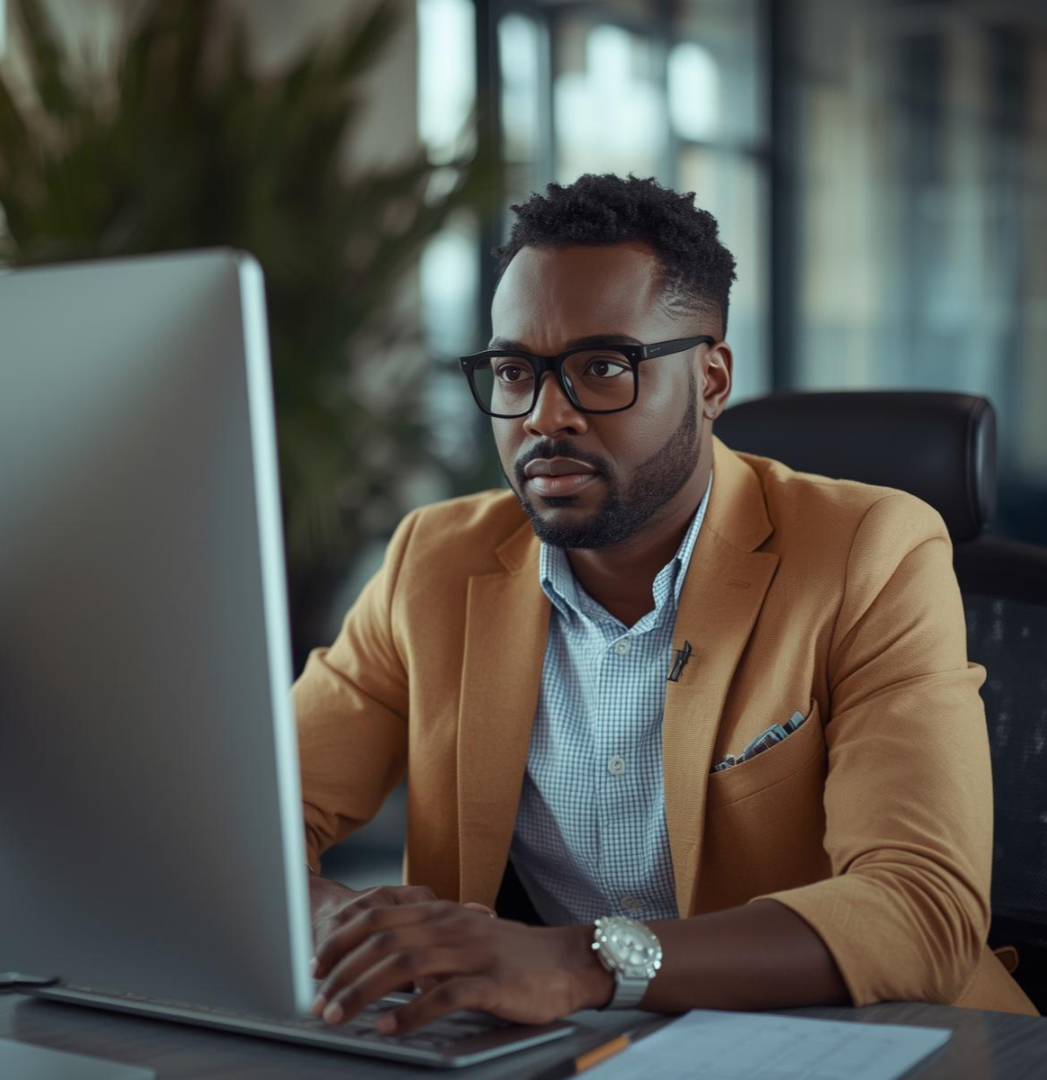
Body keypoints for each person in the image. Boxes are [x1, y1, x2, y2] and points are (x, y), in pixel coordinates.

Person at [296, 174, 1039, 1036]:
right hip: (565, 1048)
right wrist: (334, 924)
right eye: (513, 372)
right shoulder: (436, 559)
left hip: (864, 1042)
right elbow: (255, 820)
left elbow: (920, 910)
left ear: (712, 379)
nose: (545, 416)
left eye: (601, 367)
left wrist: (580, 962)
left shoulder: (870, 551)